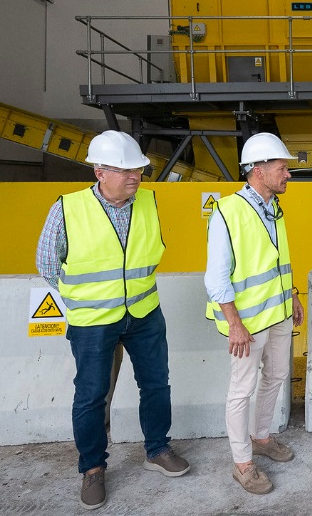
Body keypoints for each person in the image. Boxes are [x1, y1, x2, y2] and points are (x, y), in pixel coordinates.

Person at [36, 130, 189, 510]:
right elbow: (47, 265)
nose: (135, 176)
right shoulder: (68, 208)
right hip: (93, 320)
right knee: (91, 395)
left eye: (138, 169)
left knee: (156, 384)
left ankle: (157, 449)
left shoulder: (148, 202)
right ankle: (92, 468)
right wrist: (88, 298)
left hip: (144, 312)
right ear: (99, 171)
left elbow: (152, 253)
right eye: (125, 170)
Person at [204, 132, 304, 494]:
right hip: (246, 324)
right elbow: (215, 278)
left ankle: (261, 438)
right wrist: (234, 324)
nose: (288, 174)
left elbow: (277, 260)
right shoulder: (227, 212)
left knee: (277, 376)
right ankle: (242, 463)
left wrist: (291, 294)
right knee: (241, 390)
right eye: (282, 168)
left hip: (277, 314)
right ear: (259, 171)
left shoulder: (274, 209)